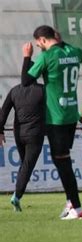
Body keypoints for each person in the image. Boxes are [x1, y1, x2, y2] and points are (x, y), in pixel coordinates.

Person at [21, 25, 82, 220]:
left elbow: (25, 81)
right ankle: (70, 203)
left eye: (38, 43)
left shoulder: (46, 57)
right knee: (63, 160)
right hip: (71, 115)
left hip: (56, 117)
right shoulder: (74, 52)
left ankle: (77, 207)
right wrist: (60, 42)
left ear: (41, 40)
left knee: (62, 163)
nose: (38, 46)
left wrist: (26, 56)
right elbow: (78, 54)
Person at [0, 71, 44, 212]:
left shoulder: (14, 91)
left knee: (24, 164)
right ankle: (16, 196)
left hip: (19, 134)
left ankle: (16, 196)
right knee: (27, 165)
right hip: (35, 134)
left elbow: (4, 111)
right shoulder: (42, 90)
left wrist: (0, 131)